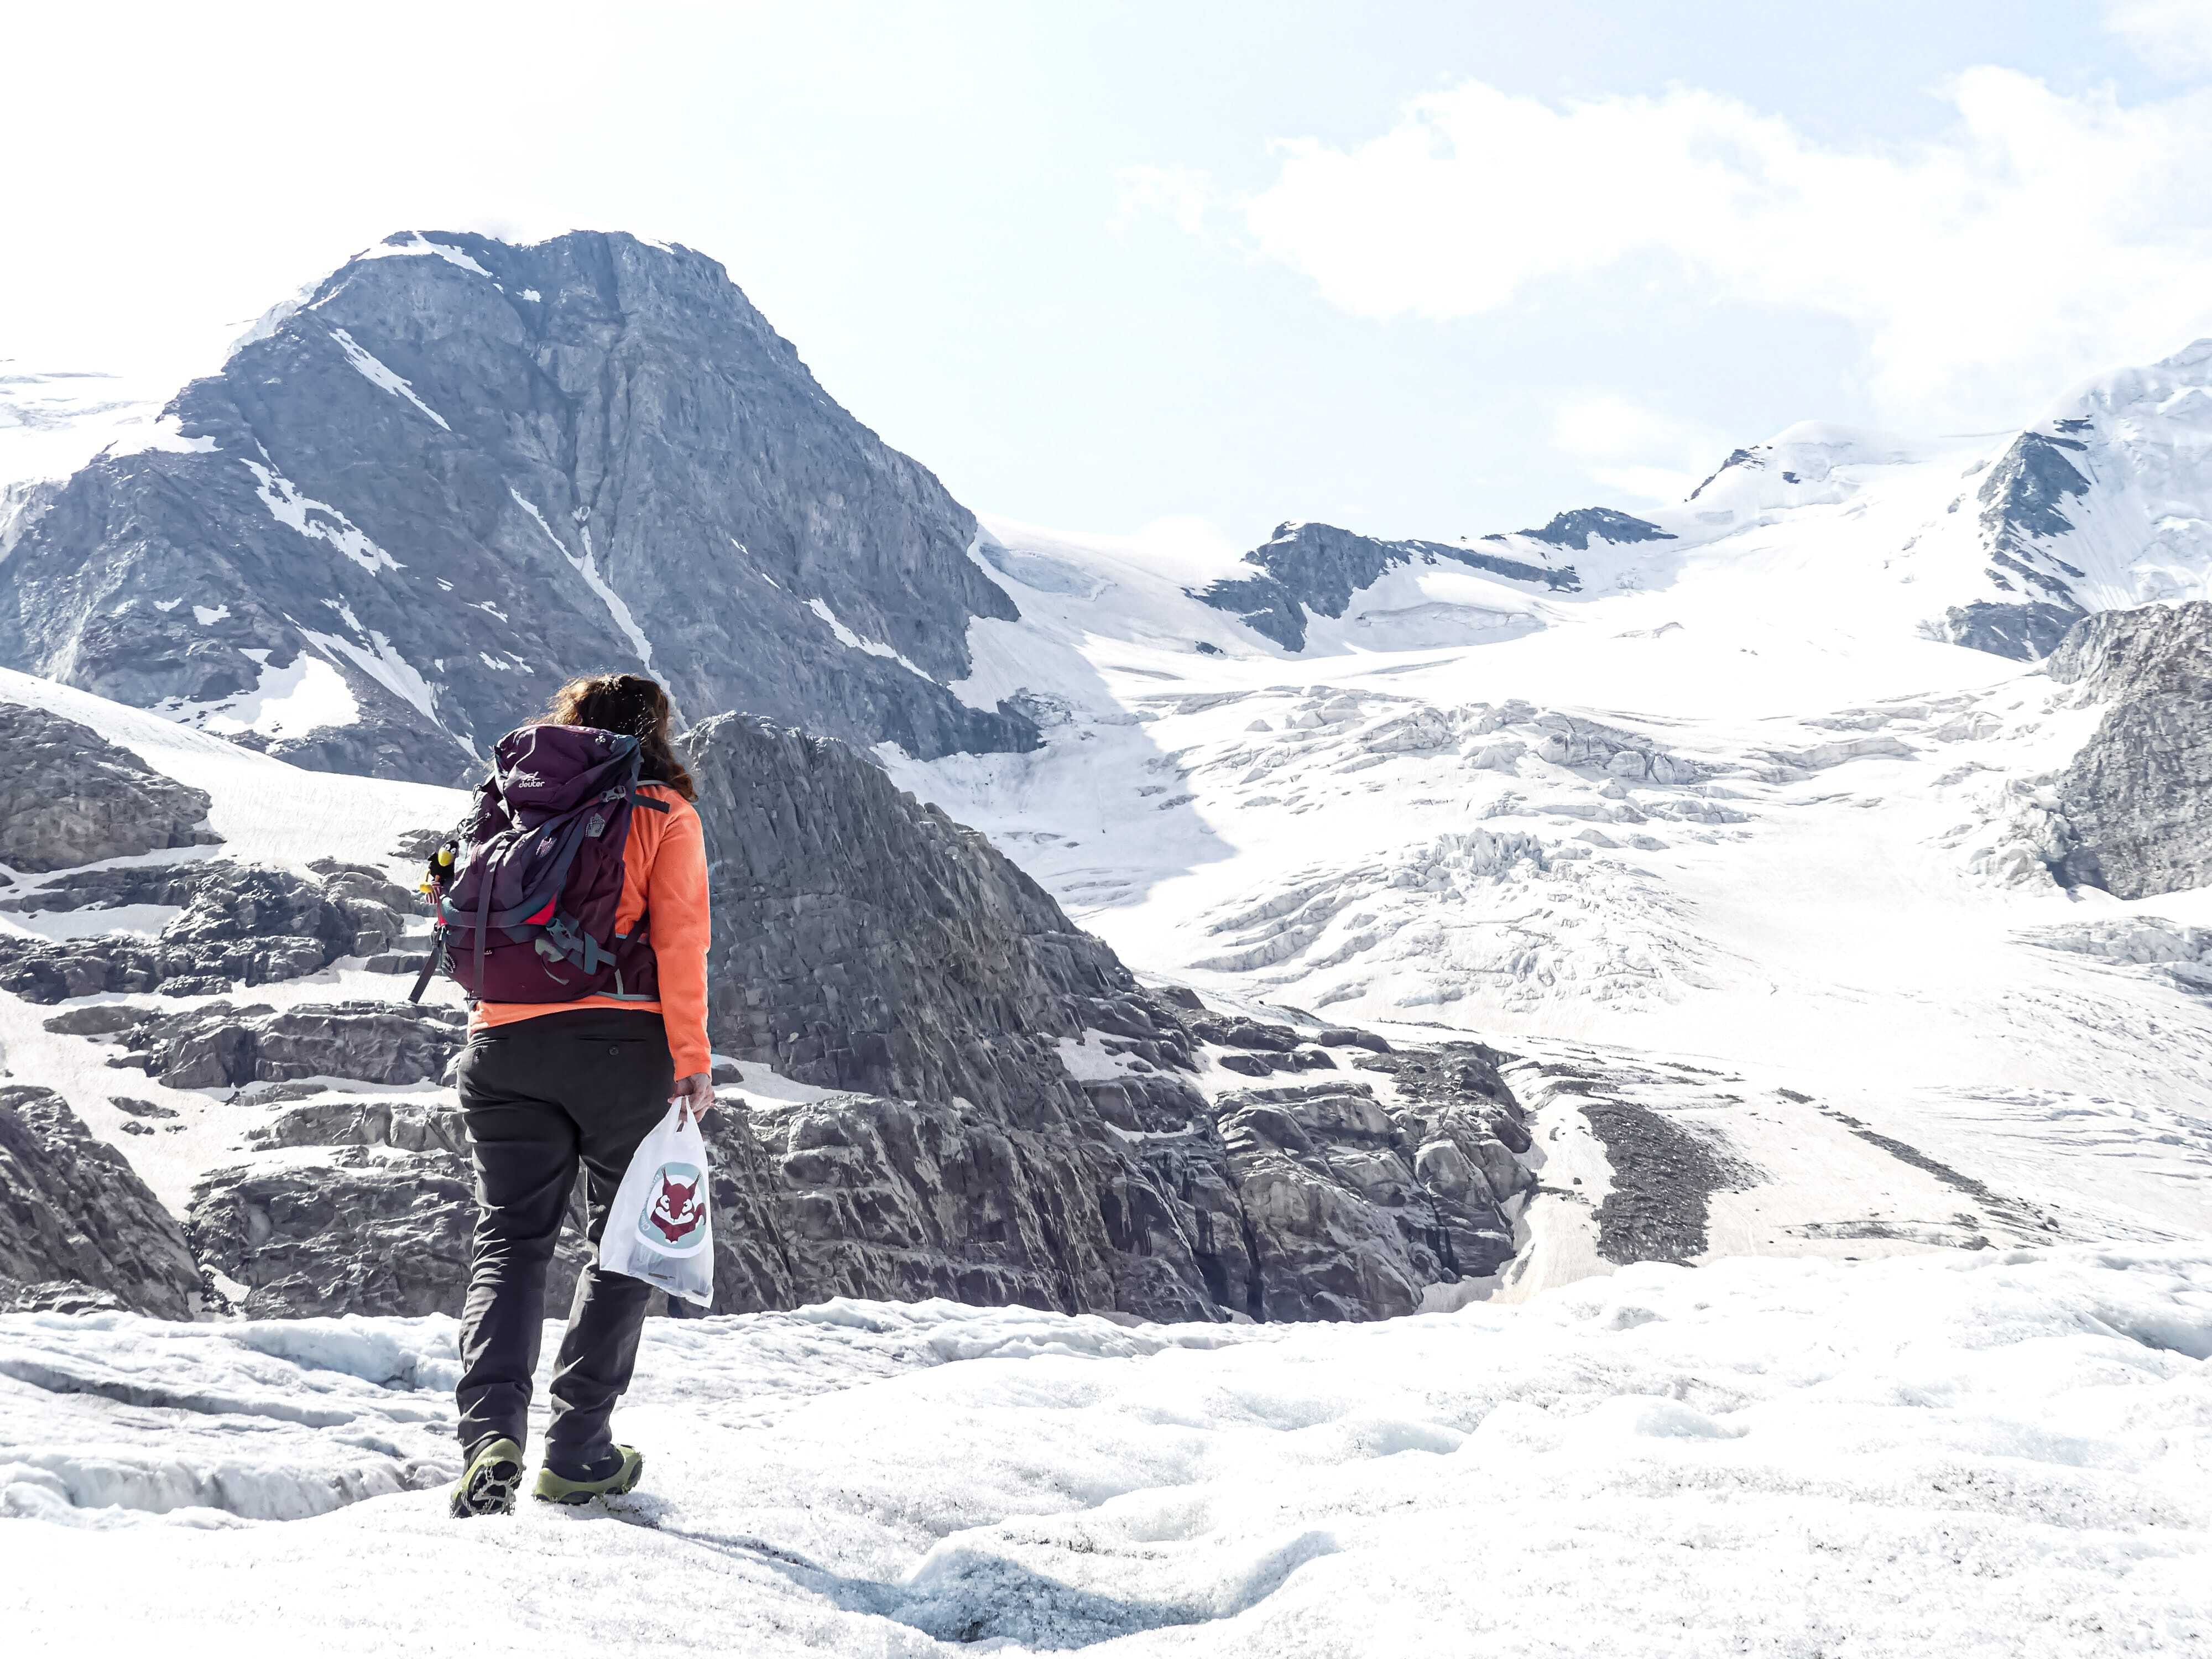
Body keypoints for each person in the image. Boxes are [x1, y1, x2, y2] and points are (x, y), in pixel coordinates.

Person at [446, 672, 714, 1517]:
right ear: (656, 734)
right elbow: (680, 940)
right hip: (619, 1049)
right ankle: (577, 1450)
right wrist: (692, 1056)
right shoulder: (661, 813)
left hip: (499, 1046)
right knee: (625, 1241)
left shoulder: (512, 802)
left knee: (512, 1242)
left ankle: (490, 1433)